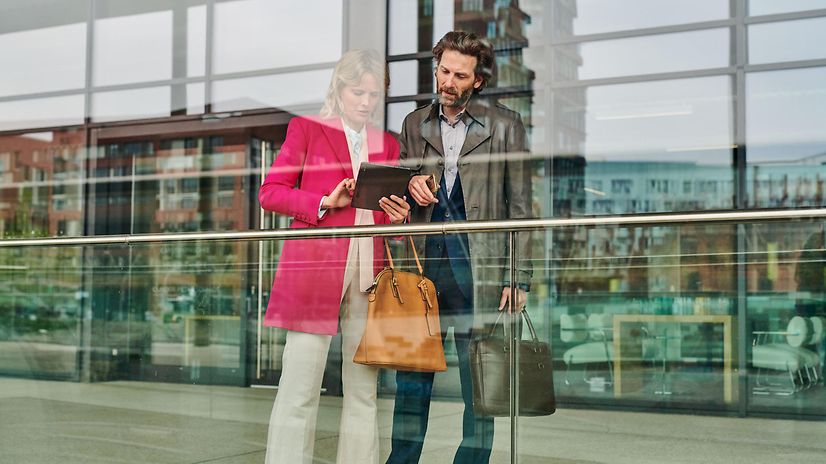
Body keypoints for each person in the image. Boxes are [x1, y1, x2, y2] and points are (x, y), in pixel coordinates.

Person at [387, 31, 532, 464]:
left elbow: (521, 207)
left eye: (459, 75)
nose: (447, 82)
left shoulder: (506, 125)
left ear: (478, 82)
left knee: (479, 384)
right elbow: (396, 190)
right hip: (423, 266)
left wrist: (517, 277)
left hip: (479, 269)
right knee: (411, 382)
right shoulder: (415, 123)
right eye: (443, 70)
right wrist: (408, 184)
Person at [259, 49, 410, 464]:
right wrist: (325, 200)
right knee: (300, 386)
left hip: (369, 276)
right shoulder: (306, 129)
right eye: (357, 92)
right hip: (314, 273)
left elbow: (386, 212)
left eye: (374, 94)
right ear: (338, 89)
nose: (365, 102)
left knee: (364, 392)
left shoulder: (388, 144)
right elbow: (270, 193)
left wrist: (397, 218)